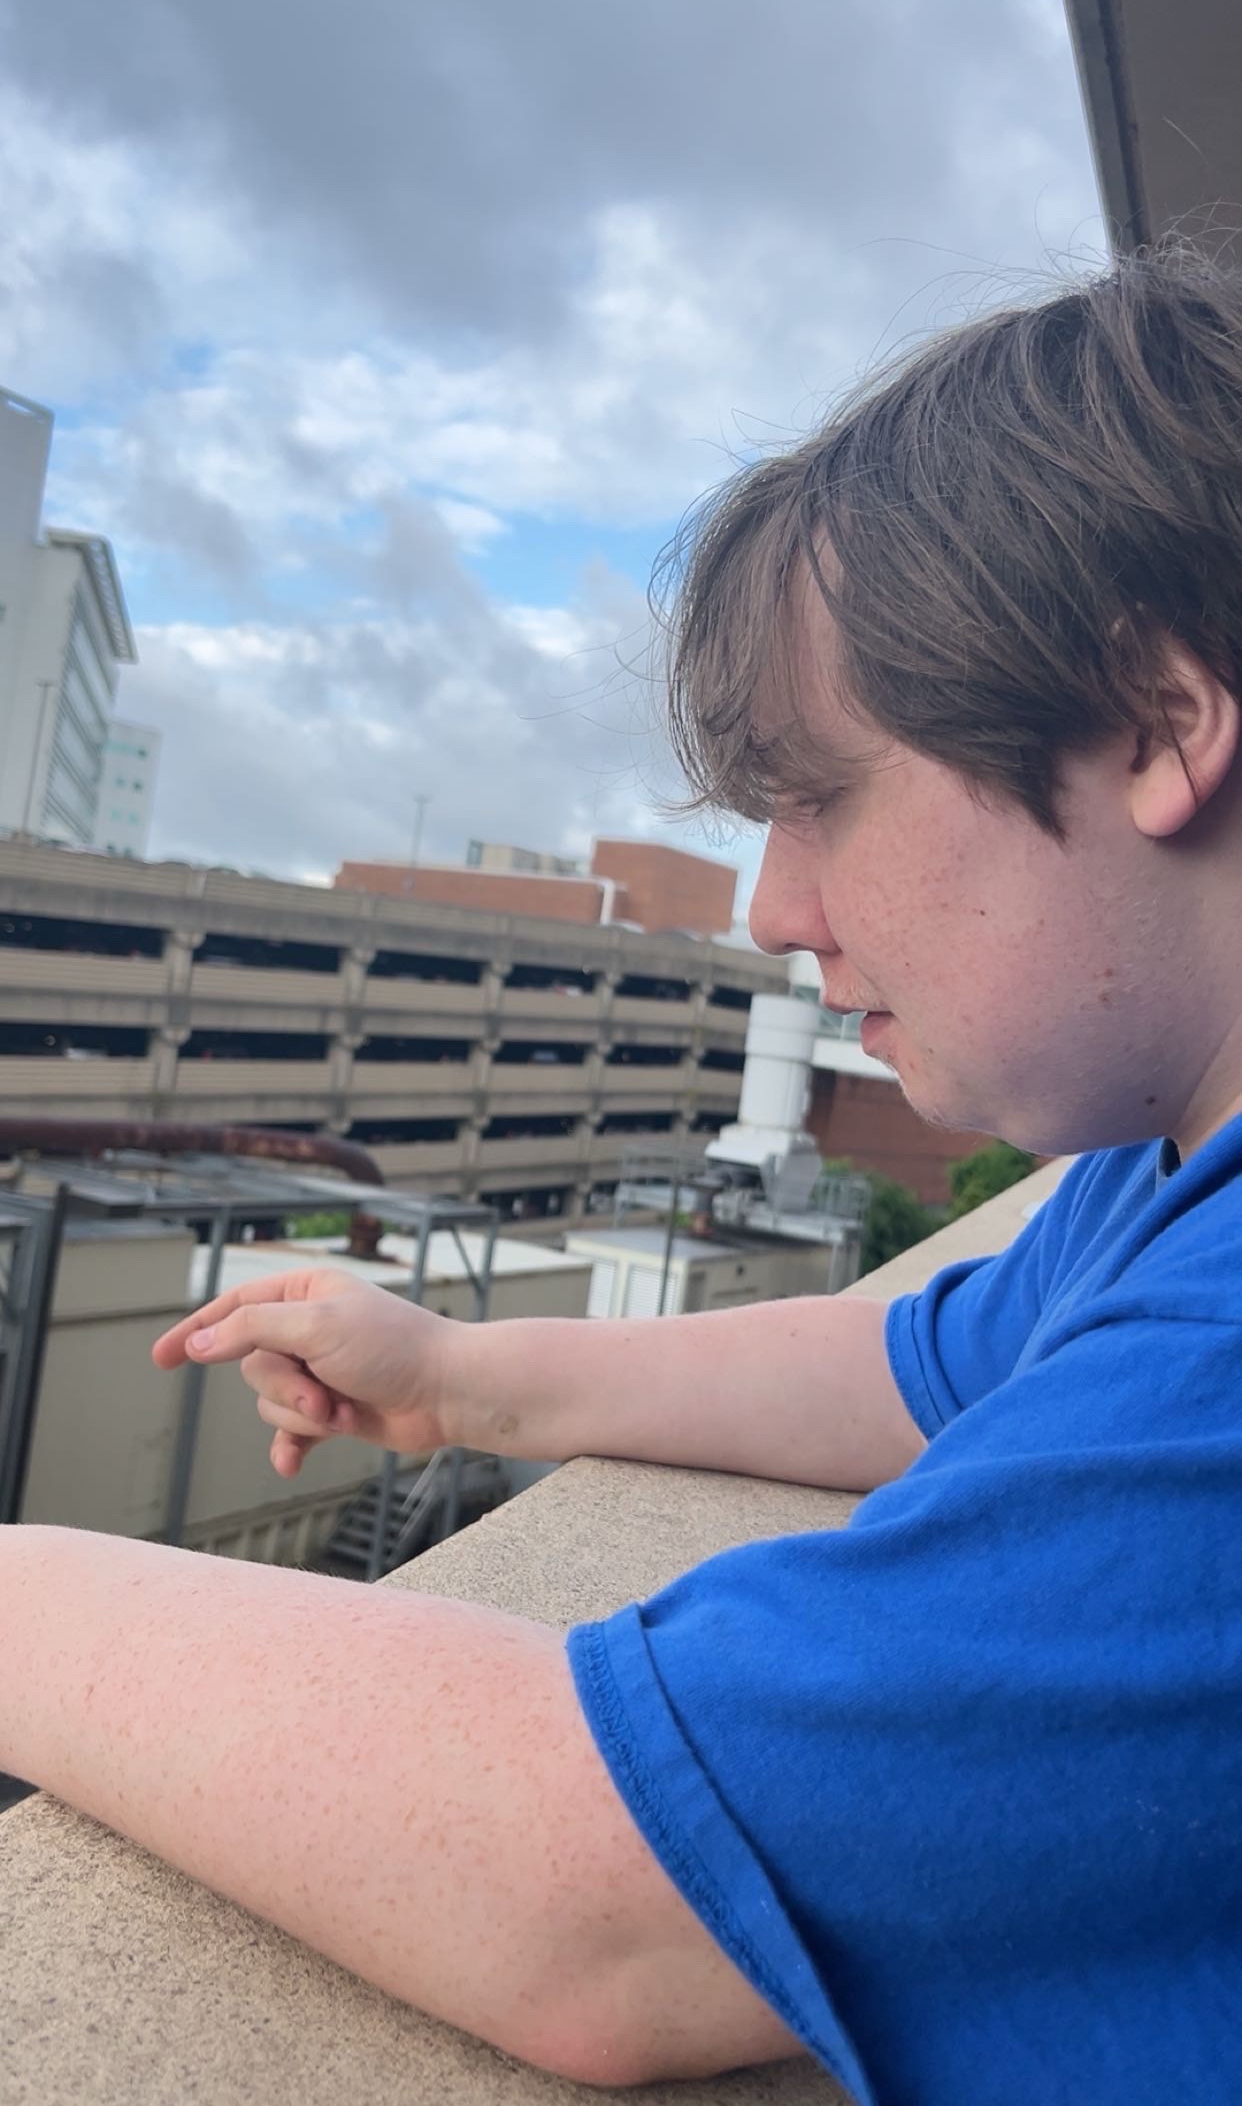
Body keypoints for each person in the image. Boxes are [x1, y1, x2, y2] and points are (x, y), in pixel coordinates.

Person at [6, 241, 1242, 2102]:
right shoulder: (1165, 1172)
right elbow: (907, 1359)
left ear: (1155, 722)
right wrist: (457, 1374)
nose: (775, 911)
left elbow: (592, 1889)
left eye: (817, 797)